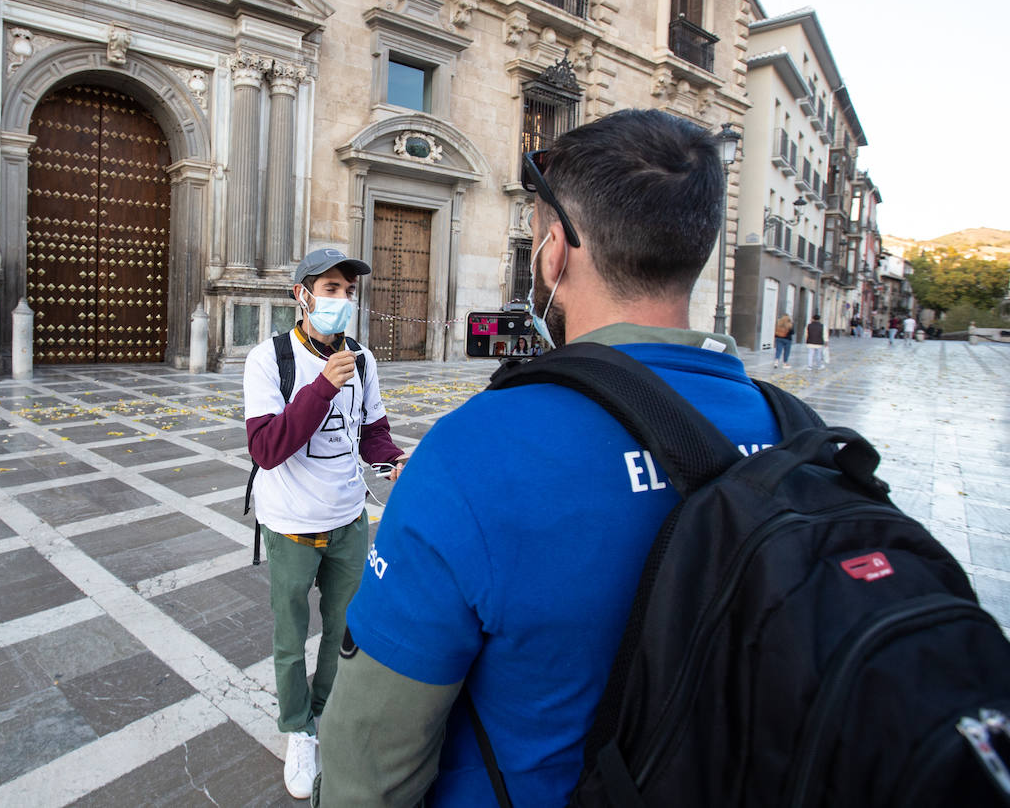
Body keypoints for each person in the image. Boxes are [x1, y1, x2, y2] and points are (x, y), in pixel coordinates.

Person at [313, 110, 783, 805]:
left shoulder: (477, 451)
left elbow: (370, 762)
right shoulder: (792, 431)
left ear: (556, 252)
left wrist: (445, 506)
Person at [242, 246, 408, 800]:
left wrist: (392, 463)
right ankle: (296, 730)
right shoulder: (270, 360)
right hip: (289, 523)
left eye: (348, 291)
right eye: (331, 289)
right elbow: (267, 448)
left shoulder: (362, 359)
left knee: (344, 630)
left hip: (347, 519)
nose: (341, 300)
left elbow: (372, 432)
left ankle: (324, 714)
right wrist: (323, 387)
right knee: (291, 637)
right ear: (302, 296)